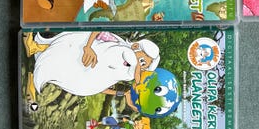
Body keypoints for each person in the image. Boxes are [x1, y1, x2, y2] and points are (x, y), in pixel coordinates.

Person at [24, 30, 160, 100]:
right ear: (136, 46)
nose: (139, 66)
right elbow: (97, 29)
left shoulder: (125, 74)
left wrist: (122, 93)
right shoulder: (122, 49)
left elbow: (100, 86)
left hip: (82, 75)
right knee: (67, 49)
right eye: (142, 61)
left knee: (61, 71)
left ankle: (34, 80)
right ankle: (36, 47)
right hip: (85, 51)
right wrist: (88, 47)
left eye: (143, 66)